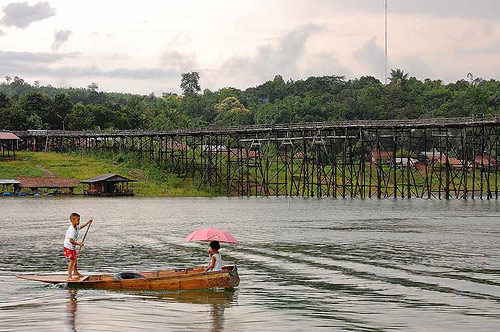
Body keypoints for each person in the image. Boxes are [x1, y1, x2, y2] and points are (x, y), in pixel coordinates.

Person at [64, 213, 93, 281]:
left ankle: (75, 272)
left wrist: (88, 223)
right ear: (72, 220)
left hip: (72, 247)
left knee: (75, 258)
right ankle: (69, 276)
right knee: (72, 260)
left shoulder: (76, 227)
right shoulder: (72, 230)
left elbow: (81, 227)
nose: (79, 222)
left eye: (79, 220)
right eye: (77, 220)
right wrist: (78, 244)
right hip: (68, 247)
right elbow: (71, 240)